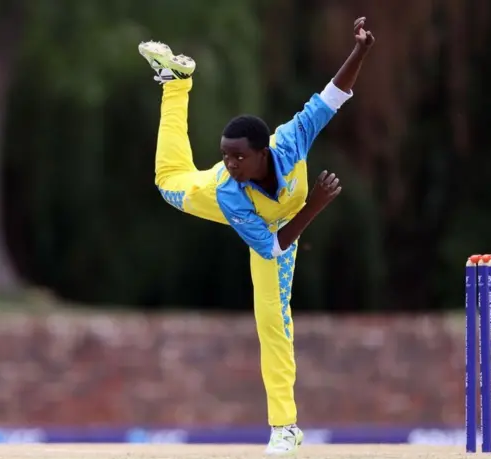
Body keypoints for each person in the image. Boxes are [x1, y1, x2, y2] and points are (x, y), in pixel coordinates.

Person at [138, 16, 374, 456]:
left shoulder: (291, 140)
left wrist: (359, 52)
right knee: (168, 180)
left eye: (238, 157)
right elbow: (271, 246)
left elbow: (333, 95)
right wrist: (315, 206)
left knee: (273, 323)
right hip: (255, 222)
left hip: (282, 227)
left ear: (263, 151)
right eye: (225, 155)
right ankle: (176, 82)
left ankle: (285, 429)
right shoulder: (229, 187)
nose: (230, 162)